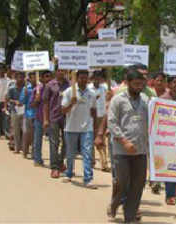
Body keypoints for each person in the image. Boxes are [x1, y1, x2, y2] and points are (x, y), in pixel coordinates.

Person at [107, 68, 149, 223]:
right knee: (123, 182)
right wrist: (124, 141)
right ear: (129, 83)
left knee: (138, 184)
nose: (139, 87)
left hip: (141, 150)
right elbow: (111, 123)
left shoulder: (146, 100)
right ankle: (115, 203)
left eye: (141, 84)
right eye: (136, 84)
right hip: (121, 151)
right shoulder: (118, 100)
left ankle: (129, 216)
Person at [61, 70, 98, 188]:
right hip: (71, 127)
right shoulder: (69, 92)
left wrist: (96, 129)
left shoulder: (91, 93)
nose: (83, 80)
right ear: (76, 78)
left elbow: (93, 111)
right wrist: (71, 104)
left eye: (85, 78)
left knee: (87, 153)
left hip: (87, 128)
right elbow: (63, 111)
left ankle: (88, 178)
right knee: (70, 153)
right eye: (81, 78)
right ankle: (69, 173)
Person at [160, 76, 176, 205]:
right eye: (174, 82)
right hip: (167, 137)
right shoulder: (163, 99)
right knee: (170, 166)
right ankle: (169, 195)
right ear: (169, 84)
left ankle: (174, 188)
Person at [43, 68, 69, 178]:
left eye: (64, 70)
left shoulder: (70, 84)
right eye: (59, 70)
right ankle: (54, 167)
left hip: (67, 117)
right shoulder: (50, 85)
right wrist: (45, 119)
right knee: (54, 142)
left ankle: (60, 161)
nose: (62, 72)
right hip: (54, 117)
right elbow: (45, 103)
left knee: (66, 142)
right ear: (56, 71)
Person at [88, 70, 109, 172]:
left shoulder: (104, 88)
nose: (97, 79)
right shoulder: (88, 88)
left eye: (99, 77)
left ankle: (104, 162)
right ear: (93, 78)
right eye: (96, 77)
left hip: (102, 116)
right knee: (91, 138)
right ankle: (91, 160)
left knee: (102, 138)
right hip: (91, 116)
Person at [30, 70, 52, 167]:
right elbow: (32, 105)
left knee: (53, 141)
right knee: (37, 139)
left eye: (50, 76)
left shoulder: (54, 89)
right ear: (41, 78)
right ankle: (37, 159)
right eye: (46, 76)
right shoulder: (37, 90)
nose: (49, 79)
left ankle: (54, 161)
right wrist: (37, 99)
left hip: (52, 119)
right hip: (39, 117)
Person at [6, 71, 25, 154]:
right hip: (14, 110)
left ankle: (24, 147)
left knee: (25, 130)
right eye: (18, 77)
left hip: (24, 111)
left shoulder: (26, 88)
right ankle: (17, 147)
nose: (20, 79)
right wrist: (15, 101)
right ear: (15, 78)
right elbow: (8, 99)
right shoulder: (11, 88)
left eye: (22, 77)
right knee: (16, 130)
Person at [20, 72, 37, 158]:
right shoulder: (25, 89)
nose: (34, 79)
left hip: (37, 115)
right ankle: (25, 151)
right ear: (29, 79)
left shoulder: (40, 88)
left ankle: (34, 153)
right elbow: (21, 101)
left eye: (35, 77)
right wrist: (25, 95)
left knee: (35, 135)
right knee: (26, 134)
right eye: (33, 78)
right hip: (28, 114)